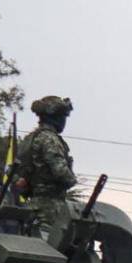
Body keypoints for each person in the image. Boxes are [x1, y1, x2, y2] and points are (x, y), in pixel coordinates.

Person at [16, 95, 78, 246]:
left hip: (32, 204)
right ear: (55, 117)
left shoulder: (30, 139)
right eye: (63, 116)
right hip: (50, 207)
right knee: (50, 248)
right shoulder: (50, 139)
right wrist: (72, 180)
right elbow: (61, 172)